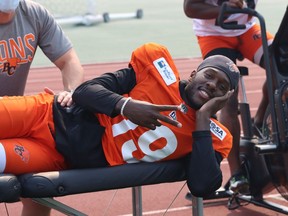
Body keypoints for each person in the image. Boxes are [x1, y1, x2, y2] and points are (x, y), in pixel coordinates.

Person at [0, 43, 239, 206]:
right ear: (195, 72)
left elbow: (202, 185)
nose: (211, 86)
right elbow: (85, 91)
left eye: (221, 87)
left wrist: (202, 119)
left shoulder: (215, 136)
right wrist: (126, 106)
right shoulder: (157, 72)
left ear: (225, 98)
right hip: (48, 113)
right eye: (209, 76)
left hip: (58, 154)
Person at [0, 0, 84, 215]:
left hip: (17, 118)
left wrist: (71, 92)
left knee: (41, 187)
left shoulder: (34, 14)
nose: (7, 15)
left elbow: (69, 61)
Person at [183, 0, 274, 196]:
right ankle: (236, 174)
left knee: (281, 68)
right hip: (214, 34)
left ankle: (258, 121)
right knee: (226, 98)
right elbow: (190, 8)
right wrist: (223, 9)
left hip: (247, 29)